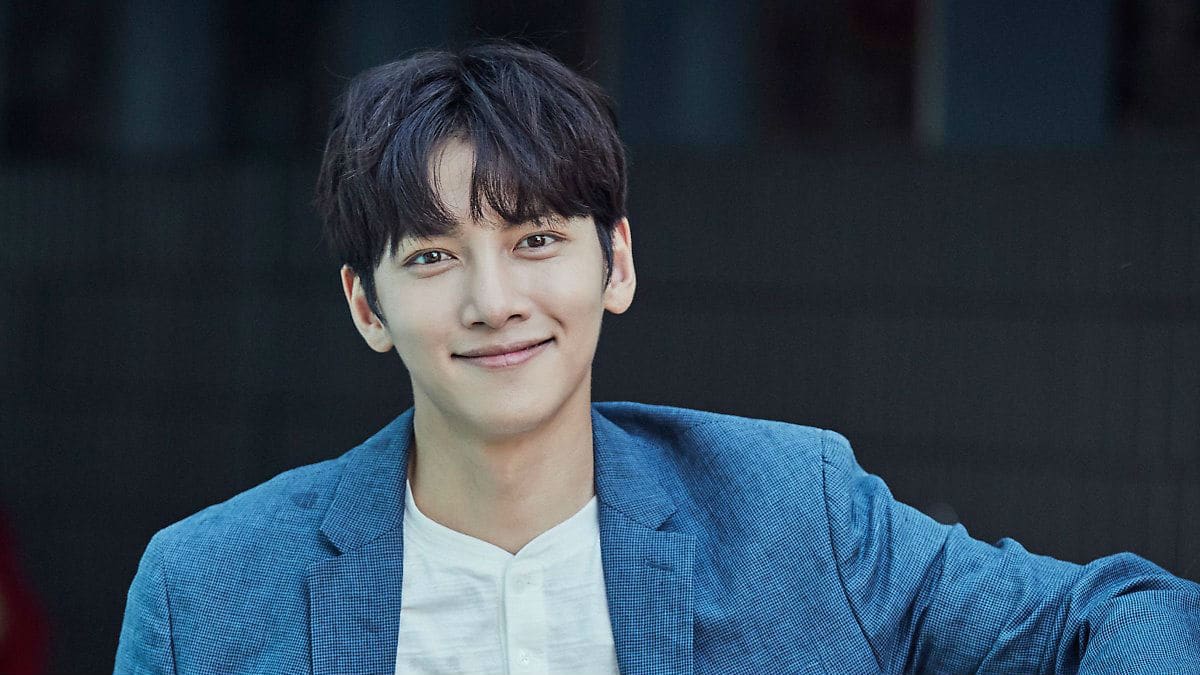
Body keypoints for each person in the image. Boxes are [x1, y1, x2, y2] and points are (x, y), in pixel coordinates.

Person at [114, 42, 1200, 675]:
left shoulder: (793, 516)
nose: (495, 302)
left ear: (617, 263)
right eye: (434, 256)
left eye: (536, 240)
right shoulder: (206, 591)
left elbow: (1116, 613)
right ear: (367, 305)